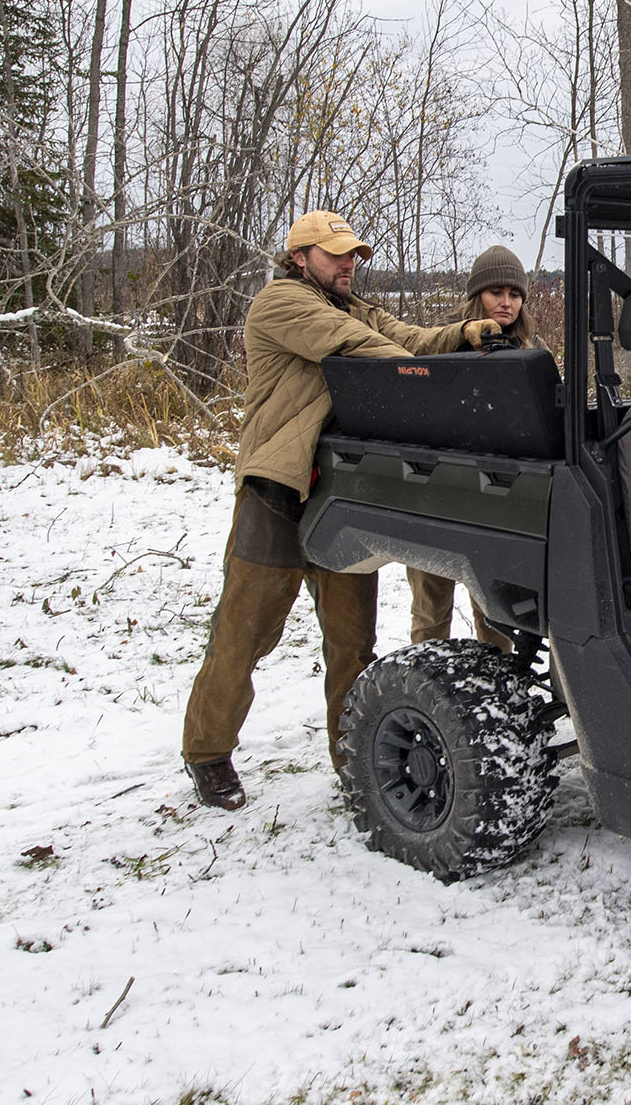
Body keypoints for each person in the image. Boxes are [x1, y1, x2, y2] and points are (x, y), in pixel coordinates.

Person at [181, 211, 501, 811]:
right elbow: (349, 345)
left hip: (341, 493)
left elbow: (409, 337)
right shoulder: (280, 303)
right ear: (300, 257)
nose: (349, 262)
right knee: (244, 633)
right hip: (276, 492)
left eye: (353, 253)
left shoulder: (358, 309)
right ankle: (207, 752)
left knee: (352, 642)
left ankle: (352, 756)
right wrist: (419, 374)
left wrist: (464, 333)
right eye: (335, 254)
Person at [408, 244, 537, 651]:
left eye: (514, 294)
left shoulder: (529, 354)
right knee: (430, 610)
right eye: (496, 292)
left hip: (496, 500)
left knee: (497, 613)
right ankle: (424, 681)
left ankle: (497, 682)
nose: (506, 303)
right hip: (436, 494)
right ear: (476, 295)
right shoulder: (439, 345)